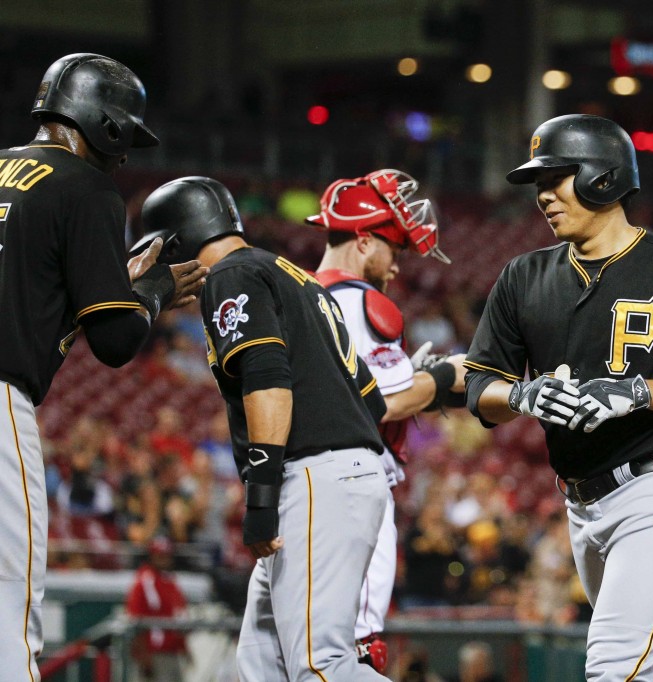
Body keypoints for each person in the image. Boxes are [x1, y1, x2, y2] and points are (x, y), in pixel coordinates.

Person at [464, 114, 653, 681]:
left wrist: (640, 391)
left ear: (602, 176)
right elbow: (481, 386)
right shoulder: (523, 277)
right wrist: (524, 395)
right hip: (582, 506)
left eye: (555, 178)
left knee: (613, 665)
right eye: (537, 185)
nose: (543, 196)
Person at [133, 176, 390, 681]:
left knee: (321, 666)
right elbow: (372, 399)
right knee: (261, 663)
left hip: (314, 476)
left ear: (179, 241)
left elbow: (268, 381)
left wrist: (262, 497)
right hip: (339, 474)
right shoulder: (296, 275)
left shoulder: (231, 274)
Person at [0, 53, 206, 681]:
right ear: (104, 122)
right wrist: (152, 293)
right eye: (125, 134)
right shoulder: (84, 185)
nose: (124, 153)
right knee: (9, 598)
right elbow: (115, 341)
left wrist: (111, 278)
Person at [304, 168, 467, 672]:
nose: (398, 264)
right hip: (352, 485)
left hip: (301, 485)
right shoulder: (360, 300)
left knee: (288, 648)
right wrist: (445, 375)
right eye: (393, 248)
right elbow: (387, 404)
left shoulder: (300, 293)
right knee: (355, 648)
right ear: (363, 241)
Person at [124, 537, 189, 682]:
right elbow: (136, 619)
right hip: (154, 655)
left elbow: (178, 615)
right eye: (160, 556)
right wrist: (144, 657)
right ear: (152, 556)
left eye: (167, 555)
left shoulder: (170, 580)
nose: (164, 560)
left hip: (171, 653)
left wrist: (184, 649)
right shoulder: (144, 580)